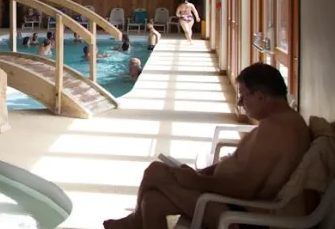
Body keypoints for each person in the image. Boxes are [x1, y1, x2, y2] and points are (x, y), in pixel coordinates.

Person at [102, 63, 309, 229]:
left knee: (155, 171)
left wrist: (197, 181)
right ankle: (136, 220)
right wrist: (201, 174)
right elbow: (243, 169)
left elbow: (246, 188)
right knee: (152, 202)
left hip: (239, 212)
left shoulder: (277, 130)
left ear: (261, 96)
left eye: (243, 96)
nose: (240, 103)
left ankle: (134, 222)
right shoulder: (280, 121)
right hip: (227, 198)